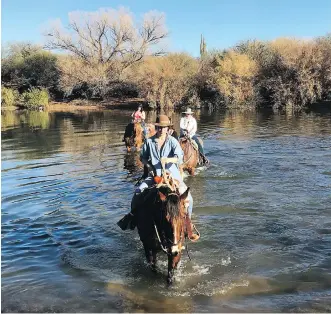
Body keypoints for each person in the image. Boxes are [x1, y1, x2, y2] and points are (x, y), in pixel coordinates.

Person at [118, 115, 199, 241]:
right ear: (156, 127)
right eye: (159, 127)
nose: (162, 130)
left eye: (164, 127)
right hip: (155, 176)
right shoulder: (149, 142)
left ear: (168, 128)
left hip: (172, 176)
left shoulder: (172, 141)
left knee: (189, 198)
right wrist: (149, 165)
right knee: (138, 191)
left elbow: (180, 157)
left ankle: (187, 224)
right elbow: (142, 157)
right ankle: (133, 218)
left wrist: (168, 159)